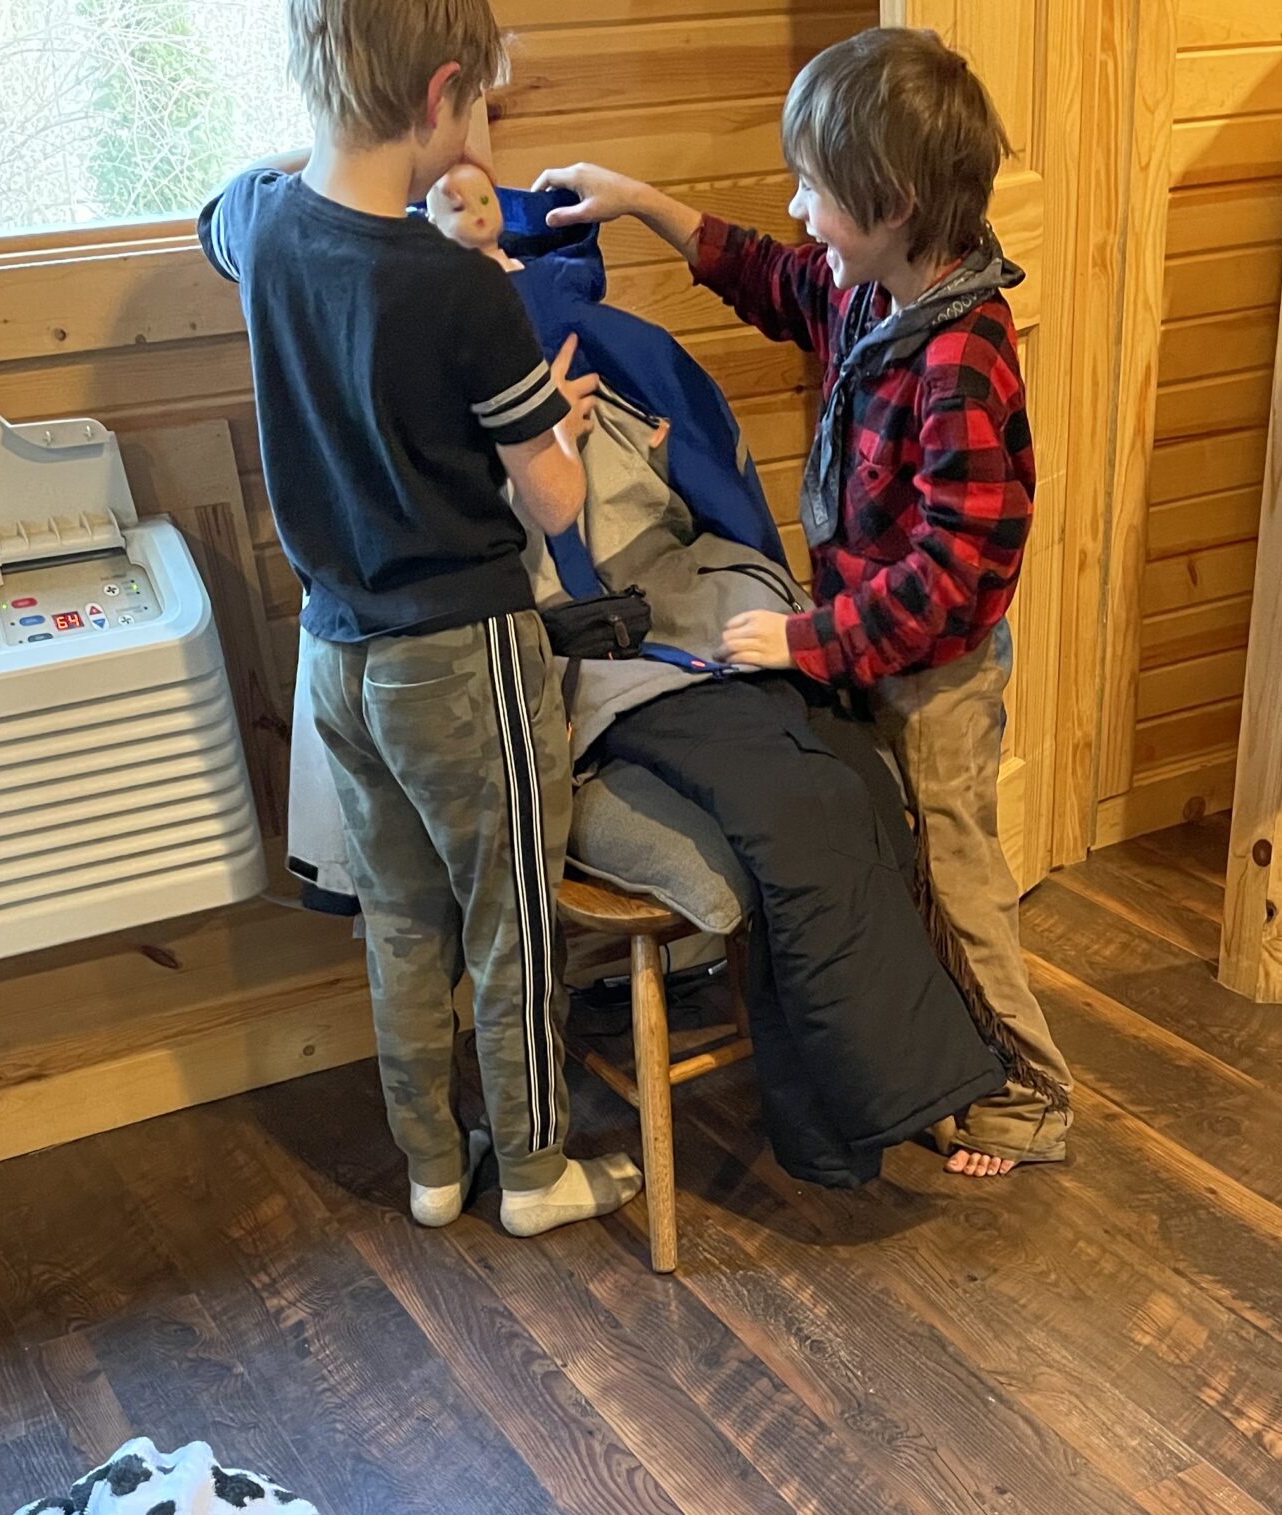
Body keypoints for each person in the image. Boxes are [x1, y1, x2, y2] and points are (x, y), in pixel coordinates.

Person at [536, 24, 1072, 1178]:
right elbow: (767, 276)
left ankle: (1033, 1096)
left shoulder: (961, 358)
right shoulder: (872, 291)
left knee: (957, 880)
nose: (798, 211)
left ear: (894, 204)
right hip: (864, 651)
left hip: (933, 678)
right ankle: (943, 1069)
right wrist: (640, 203)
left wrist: (803, 638)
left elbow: (949, 575)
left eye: (815, 191)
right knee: (886, 855)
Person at [196, 0, 641, 1235]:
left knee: (398, 919)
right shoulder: (459, 289)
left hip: (335, 654)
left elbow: (220, 208)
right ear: (442, 95)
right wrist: (557, 421)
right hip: (460, 657)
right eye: (481, 103)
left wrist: (339, 123)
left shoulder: (266, 225)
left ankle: (434, 1167)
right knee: (511, 922)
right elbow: (553, 501)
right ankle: (536, 1174)